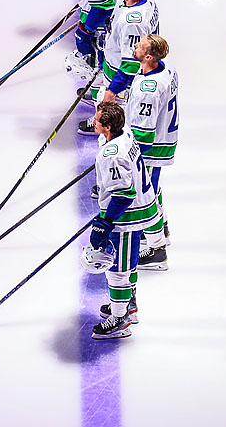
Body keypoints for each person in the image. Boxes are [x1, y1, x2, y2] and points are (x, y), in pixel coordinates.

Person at [86, 101, 161, 339]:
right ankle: (128, 304)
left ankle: (120, 318)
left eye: (97, 120)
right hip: (139, 209)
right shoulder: (124, 135)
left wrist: (106, 222)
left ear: (107, 127)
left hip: (128, 217)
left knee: (118, 269)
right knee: (127, 264)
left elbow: (124, 193)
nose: (93, 122)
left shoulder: (112, 155)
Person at [78, 0, 159, 135]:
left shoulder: (133, 22)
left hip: (119, 74)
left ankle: (106, 129)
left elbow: (131, 65)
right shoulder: (144, 0)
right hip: (112, 63)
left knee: (117, 111)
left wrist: (112, 90)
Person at [125, 34, 178, 270]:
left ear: (148, 57)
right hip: (164, 140)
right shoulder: (167, 69)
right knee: (153, 188)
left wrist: (128, 157)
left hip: (151, 146)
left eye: (140, 45)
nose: (135, 45)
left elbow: (144, 134)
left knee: (144, 195)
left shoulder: (150, 88)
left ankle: (157, 250)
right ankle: (162, 226)